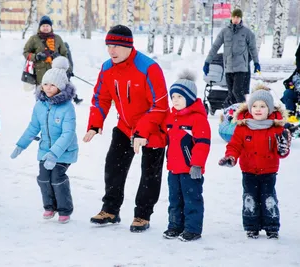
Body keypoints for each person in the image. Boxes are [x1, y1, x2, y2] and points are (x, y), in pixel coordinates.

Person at [83, 25, 168, 233]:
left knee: (150, 173)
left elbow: (160, 105)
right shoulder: (107, 68)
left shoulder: (149, 68)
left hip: (153, 128)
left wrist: (142, 132)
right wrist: (95, 123)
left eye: (116, 46)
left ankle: (142, 215)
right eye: (109, 46)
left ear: (129, 46)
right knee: (113, 166)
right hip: (125, 125)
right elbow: (100, 98)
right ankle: (110, 210)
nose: (112, 51)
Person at [11, 57, 77, 224]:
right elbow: (33, 127)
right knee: (43, 178)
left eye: (53, 85)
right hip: (45, 150)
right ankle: (49, 206)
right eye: (46, 84)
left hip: (63, 152)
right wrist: (21, 145)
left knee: (57, 178)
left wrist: (54, 154)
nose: (48, 88)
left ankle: (64, 209)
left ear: (60, 87)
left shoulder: (67, 107)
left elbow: (68, 134)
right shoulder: (40, 105)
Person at [219, 86, 291, 239]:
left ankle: (272, 226)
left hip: (269, 172)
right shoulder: (242, 128)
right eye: (255, 106)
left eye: (263, 106)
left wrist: (283, 149)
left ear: (270, 109)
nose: (258, 109)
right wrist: (230, 157)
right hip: (249, 171)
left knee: (268, 199)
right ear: (250, 108)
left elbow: (281, 151)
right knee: (249, 199)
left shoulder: (276, 128)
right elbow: (234, 146)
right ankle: (252, 226)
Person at [162, 71, 211, 242]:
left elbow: (203, 143)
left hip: (191, 169)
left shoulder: (198, 119)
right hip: (173, 168)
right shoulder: (170, 116)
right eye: (173, 96)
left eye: (179, 97)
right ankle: (175, 226)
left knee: (192, 200)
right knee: (175, 199)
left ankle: (192, 229)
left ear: (189, 98)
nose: (175, 100)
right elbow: (163, 136)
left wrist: (196, 164)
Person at [203, 9, 259, 107]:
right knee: (231, 94)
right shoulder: (225, 32)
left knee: (237, 91)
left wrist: (256, 63)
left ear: (241, 18)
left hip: (241, 68)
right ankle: (233, 116)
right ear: (231, 18)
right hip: (228, 68)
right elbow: (215, 47)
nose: (236, 19)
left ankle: (244, 110)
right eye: (234, 17)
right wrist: (207, 62)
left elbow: (253, 49)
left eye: (238, 17)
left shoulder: (246, 32)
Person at [23, 15, 68, 87]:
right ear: (40, 27)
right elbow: (26, 52)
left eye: (47, 26)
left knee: (55, 94)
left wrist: (59, 58)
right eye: (43, 26)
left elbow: (64, 54)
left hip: (55, 73)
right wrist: (36, 57)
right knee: (41, 95)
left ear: (51, 27)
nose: (45, 28)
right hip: (40, 73)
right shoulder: (34, 39)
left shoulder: (58, 38)